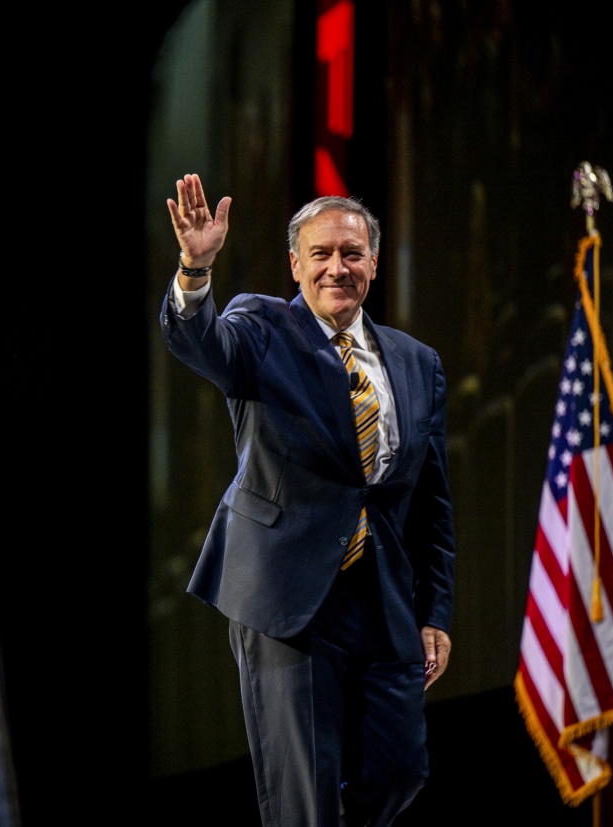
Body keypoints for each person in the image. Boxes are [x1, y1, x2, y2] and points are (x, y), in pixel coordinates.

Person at [160, 173, 456, 826]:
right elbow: (199, 341)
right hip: (287, 592)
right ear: (295, 264)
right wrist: (195, 270)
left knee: (400, 767)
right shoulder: (260, 326)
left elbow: (432, 500)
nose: (336, 267)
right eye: (320, 253)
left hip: (383, 598)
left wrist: (434, 610)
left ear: (374, 262)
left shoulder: (416, 362)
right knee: (304, 797)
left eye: (351, 253)